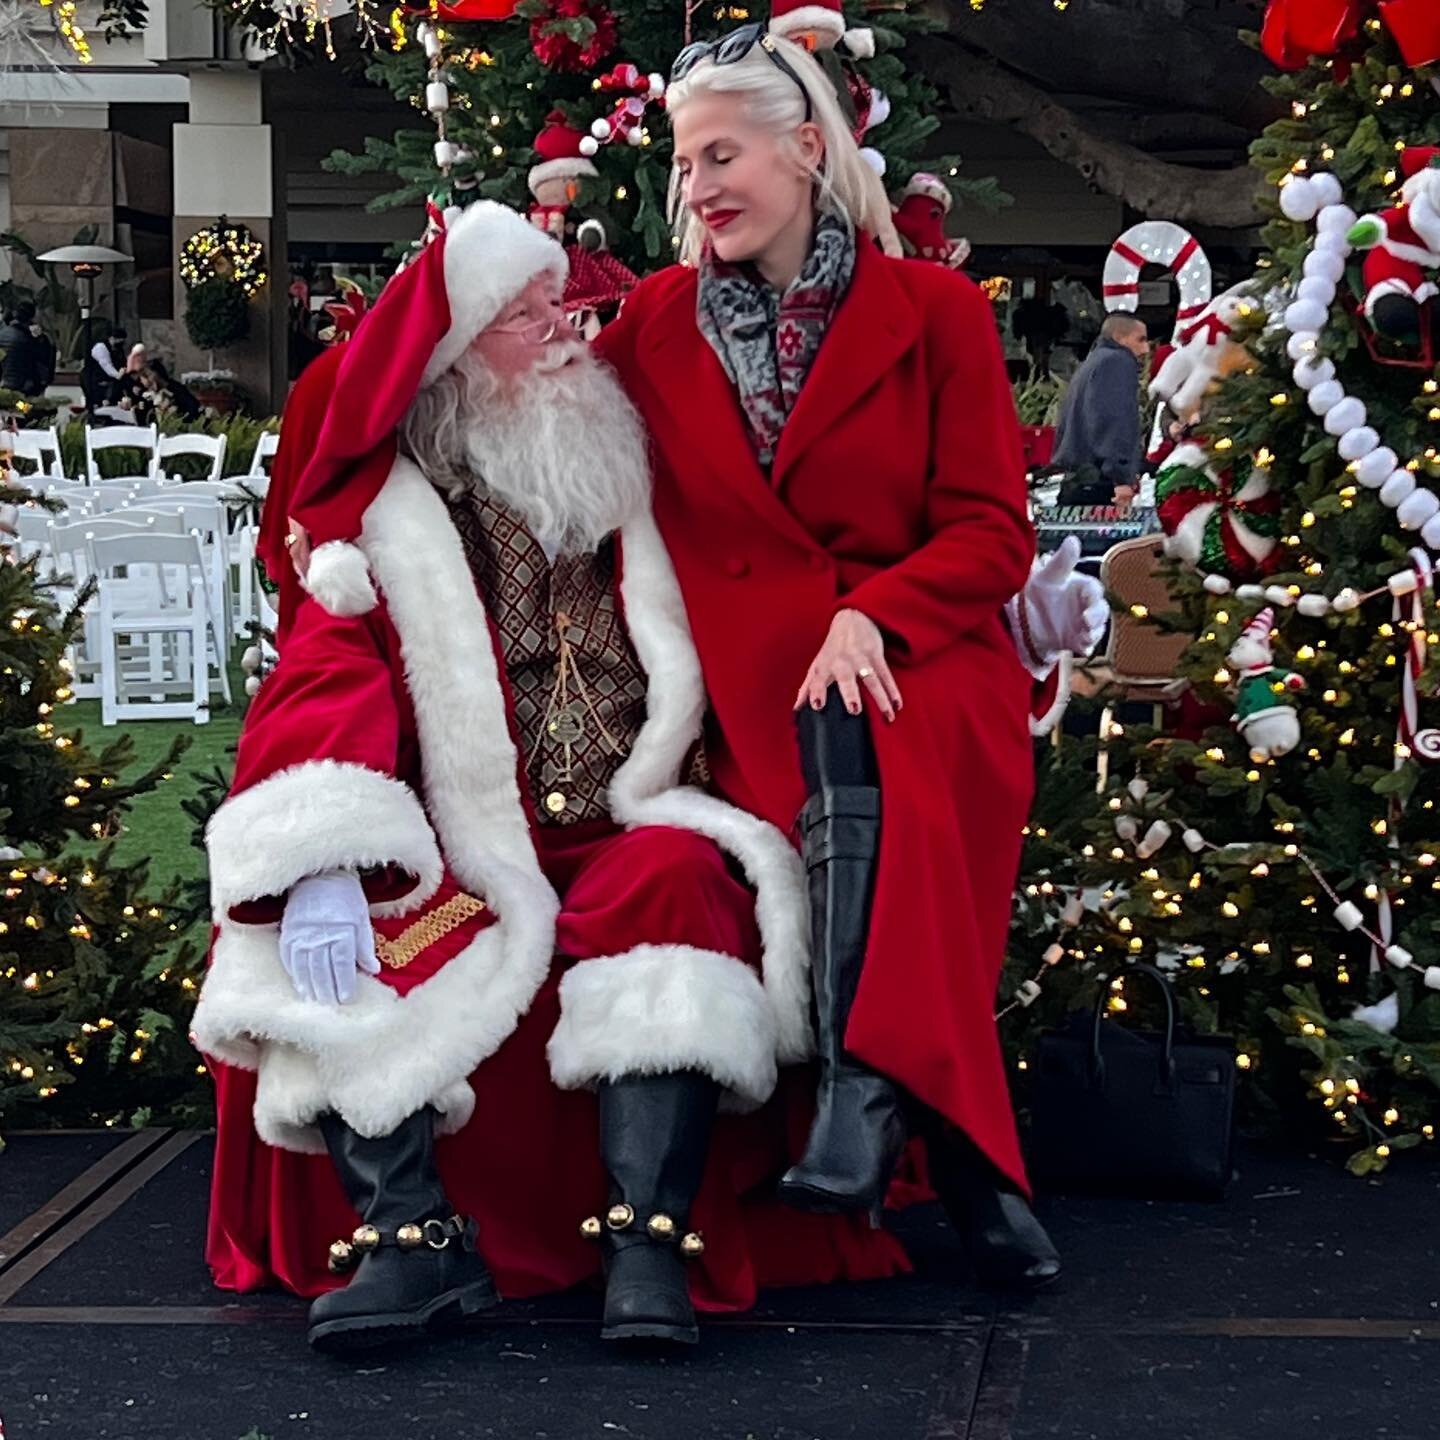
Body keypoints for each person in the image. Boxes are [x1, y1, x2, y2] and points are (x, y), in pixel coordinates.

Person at [192, 200, 906, 1355]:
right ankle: (412, 1240)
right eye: (524, 316)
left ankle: (645, 1241)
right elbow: (329, 671)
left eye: (561, 303)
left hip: (635, 808)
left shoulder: (633, 463)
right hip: (468, 832)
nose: (564, 325)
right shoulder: (389, 519)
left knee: (677, 886)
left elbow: (780, 566)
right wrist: (323, 862)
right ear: (455, 354)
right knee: (343, 937)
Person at [591, 26, 1061, 1289]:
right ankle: (956, 1150)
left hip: (927, 657)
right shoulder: (650, 325)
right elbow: (517, 397)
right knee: (845, 735)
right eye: (685, 165)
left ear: (807, 147)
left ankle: (865, 1090)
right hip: (755, 681)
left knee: (876, 724)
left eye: (720, 153)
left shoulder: (938, 310)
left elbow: (989, 532)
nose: (697, 188)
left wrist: (877, 614)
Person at [1050, 312, 1150, 506]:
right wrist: (1120, 477)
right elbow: (1115, 420)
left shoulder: (1093, 362)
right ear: (1119, 337)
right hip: (1100, 482)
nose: (1146, 349)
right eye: (1141, 339)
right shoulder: (1118, 362)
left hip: (1079, 478)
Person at [0, 301, 56, 397]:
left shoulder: (3, 334)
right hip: (26, 385)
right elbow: (44, 360)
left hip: (6, 383)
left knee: (13, 406)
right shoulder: (32, 337)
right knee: (25, 408)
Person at [81, 324, 126, 410]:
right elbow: (106, 365)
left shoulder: (118, 351)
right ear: (112, 338)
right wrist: (117, 375)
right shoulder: (101, 347)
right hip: (92, 379)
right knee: (95, 402)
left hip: (106, 380)